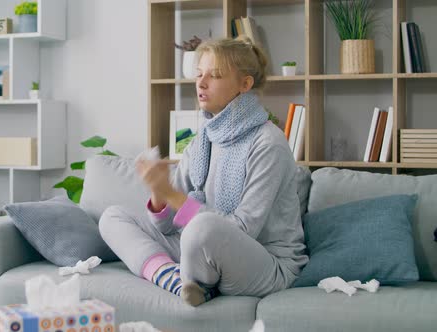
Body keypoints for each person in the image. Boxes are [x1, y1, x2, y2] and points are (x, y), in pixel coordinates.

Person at [99, 38, 308, 306]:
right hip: (201, 248)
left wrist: (173, 196)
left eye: (215, 75)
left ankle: (193, 278)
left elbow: (243, 230)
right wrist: (158, 194)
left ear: (245, 84)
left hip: (265, 263)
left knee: (202, 227)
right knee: (113, 217)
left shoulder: (269, 142)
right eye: (199, 74)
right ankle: (174, 278)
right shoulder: (203, 139)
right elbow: (166, 225)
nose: (201, 82)